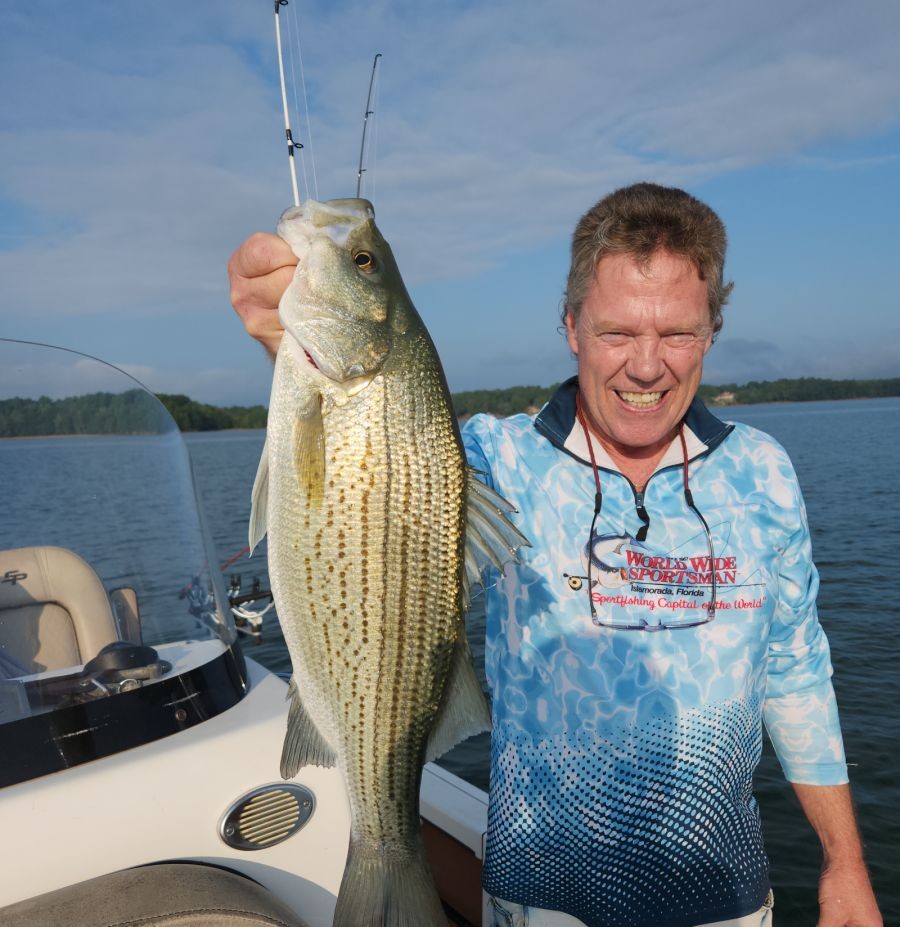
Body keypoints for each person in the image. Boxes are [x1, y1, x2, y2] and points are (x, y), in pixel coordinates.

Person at [228, 183, 881, 927]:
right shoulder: (493, 458)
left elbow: (796, 668)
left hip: (723, 901)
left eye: (677, 333)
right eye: (615, 331)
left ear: (712, 332)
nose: (646, 366)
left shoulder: (764, 473)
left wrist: (846, 862)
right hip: (540, 905)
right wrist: (286, 337)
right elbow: (379, 465)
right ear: (571, 326)